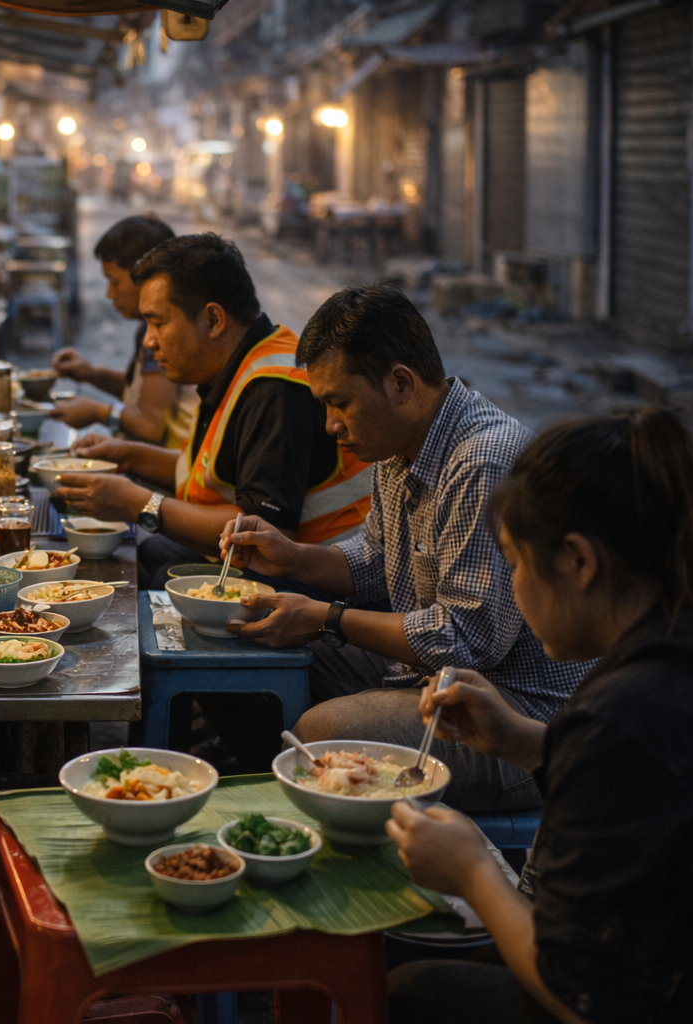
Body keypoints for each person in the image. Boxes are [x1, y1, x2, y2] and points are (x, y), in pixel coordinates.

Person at [386, 408, 693, 1024]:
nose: (515, 585)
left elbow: (586, 996)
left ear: (579, 561)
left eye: (514, 563)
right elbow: (656, 783)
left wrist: (472, 870)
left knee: (408, 992)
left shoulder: (624, 714)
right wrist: (523, 740)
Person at [218, 285, 589, 810]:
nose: (330, 425)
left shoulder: (481, 462)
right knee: (249, 649)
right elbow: (376, 559)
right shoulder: (398, 447)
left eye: (340, 402)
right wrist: (295, 557)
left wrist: (327, 618)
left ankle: (306, 832)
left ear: (400, 383)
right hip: (435, 676)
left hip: (513, 714)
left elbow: (465, 641)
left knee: (322, 730)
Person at [54, 234, 372, 591]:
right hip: (259, 558)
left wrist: (138, 503)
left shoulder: (274, 389)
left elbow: (265, 532)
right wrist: (128, 457)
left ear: (213, 319)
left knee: (157, 575)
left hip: (317, 582)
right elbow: (210, 474)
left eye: (158, 323)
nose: (148, 340)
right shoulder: (238, 367)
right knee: (147, 554)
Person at [48, 215, 196, 447]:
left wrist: (97, 411)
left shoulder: (163, 333)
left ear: (146, 278)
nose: (109, 294)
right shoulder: (148, 328)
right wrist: (92, 374)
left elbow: (151, 423)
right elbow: (142, 393)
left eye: (115, 282)